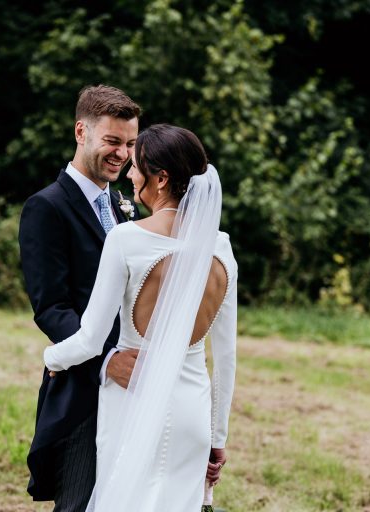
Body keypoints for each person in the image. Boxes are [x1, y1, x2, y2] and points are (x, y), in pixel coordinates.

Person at [43, 124, 238, 511]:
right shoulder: (221, 248)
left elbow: (90, 339)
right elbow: (226, 358)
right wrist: (217, 437)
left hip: (132, 406)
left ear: (160, 179)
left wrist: (52, 357)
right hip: (192, 413)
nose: (130, 174)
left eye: (136, 166)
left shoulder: (127, 239)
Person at [19, 85, 142, 511]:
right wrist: (108, 361)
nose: (122, 154)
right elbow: (51, 308)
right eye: (112, 141)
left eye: (130, 144)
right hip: (83, 387)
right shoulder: (47, 207)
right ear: (81, 132)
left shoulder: (125, 206)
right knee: (78, 501)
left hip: (133, 386)